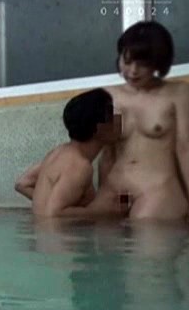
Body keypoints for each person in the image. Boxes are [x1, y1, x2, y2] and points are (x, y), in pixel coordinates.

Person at [95, 21, 189, 220]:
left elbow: (186, 148)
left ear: (158, 64)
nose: (133, 71)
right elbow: (107, 155)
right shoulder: (109, 96)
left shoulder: (178, 93)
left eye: (143, 64)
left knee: (144, 227)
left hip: (156, 190)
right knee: (101, 235)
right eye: (127, 61)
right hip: (116, 190)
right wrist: (101, 194)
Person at [15, 88, 121, 217]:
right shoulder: (79, 166)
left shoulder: (59, 153)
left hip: (42, 228)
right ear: (98, 128)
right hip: (57, 230)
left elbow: (22, 184)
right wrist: (100, 211)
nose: (118, 120)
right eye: (112, 116)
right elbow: (54, 214)